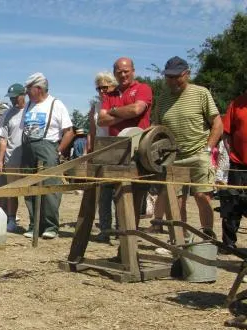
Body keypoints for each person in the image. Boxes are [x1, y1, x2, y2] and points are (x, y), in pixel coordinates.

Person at [152, 56, 223, 239]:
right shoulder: (163, 98)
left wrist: (207, 149)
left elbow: (217, 124)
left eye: (177, 76)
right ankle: (179, 239)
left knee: (202, 197)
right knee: (175, 201)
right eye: (169, 77)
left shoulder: (201, 93)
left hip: (199, 153)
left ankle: (207, 238)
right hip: (173, 157)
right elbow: (156, 127)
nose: (173, 81)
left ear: (187, 74)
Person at [97, 57, 153, 230]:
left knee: (134, 195)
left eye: (126, 71)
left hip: (138, 150)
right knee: (108, 191)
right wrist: (125, 113)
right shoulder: (109, 95)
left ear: (133, 71)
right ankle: (115, 232)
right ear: (115, 73)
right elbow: (101, 120)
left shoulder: (143, 88)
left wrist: (113, 112)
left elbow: (138, 109)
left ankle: (129, 235)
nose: (123, 75)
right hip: (116, 151)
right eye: (119, 72)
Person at [21, 72, 74, 239]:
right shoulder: (28, 105)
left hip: (48, 147)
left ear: (38, 88)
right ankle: (33, 224)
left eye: (29, 89)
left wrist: (58, 151)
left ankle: (51, 226)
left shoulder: (56, 104)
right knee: (29, 187)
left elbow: (69, 132)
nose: (27, 92)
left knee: (50, 187)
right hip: (28, 147)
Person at [88, 71, 119, 242]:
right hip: (101, 149)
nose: (102, 91)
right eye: (99, 88)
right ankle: (105, 229)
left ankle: (122, 230)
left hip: (118, 148)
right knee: (104, 193)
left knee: (120, 192)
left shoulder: (119, 102)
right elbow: (92, 132)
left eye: (105, 87)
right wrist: (91, 151)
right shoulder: (95, 107)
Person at [0, 83, 27, 232]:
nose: (14, 100)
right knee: (12, 191)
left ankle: (34, 222)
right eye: (11, 98)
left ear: (24, 95)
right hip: (12, 158)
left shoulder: (30, 110)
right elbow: (3, 139)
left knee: (30, 191)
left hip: (28, 156)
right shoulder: (7, 114)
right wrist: (0, 160)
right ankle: (11, 219)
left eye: (16, 97)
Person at [219, 91, 247, 250]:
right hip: (239, 165)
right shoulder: (237, 103)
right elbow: (227, 134)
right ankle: (228, 244)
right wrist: (232, 156)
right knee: (232, 203)